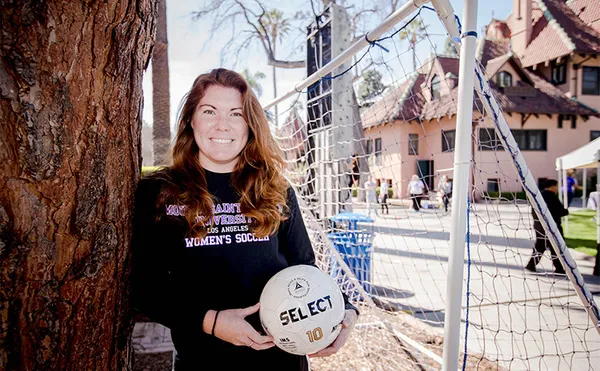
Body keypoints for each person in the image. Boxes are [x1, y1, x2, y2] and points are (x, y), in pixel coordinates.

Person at [130, 69, 359, 371]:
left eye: (235, 114)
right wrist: (212, 322)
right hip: (203, 363)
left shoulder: (275, 189)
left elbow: (304, 269)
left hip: (282, 362)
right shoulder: (159, 191)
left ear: (250, 125)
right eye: (209, 111)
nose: (222, 125)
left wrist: (344, 311)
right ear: (190, 119)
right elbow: (145, 288)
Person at [525, 179, 568, 274]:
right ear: (552, 186)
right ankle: (559, 268)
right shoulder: (551, 197)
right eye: (556, 186)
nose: (557, 188)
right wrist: (565, 211)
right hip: (552, 227)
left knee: (541, 246)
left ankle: (531, 264)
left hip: (539, 226)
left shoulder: (538, 196)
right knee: (556, 247)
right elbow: (559, 211)